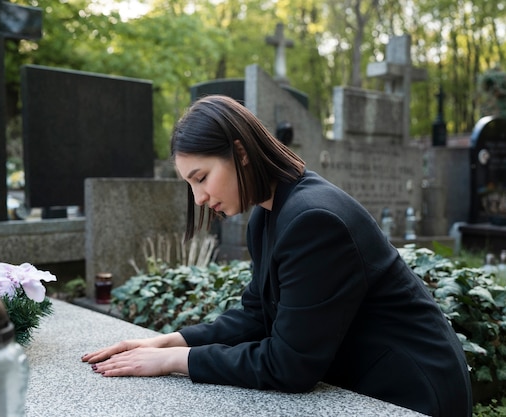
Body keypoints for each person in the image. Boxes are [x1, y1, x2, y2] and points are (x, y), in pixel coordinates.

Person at [82, 95, 472, 417]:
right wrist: (167, 342)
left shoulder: (314, 219)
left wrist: (175, 362)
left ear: (240, 153)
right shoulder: (268, 215)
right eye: (190, 184)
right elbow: (256, 316)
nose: (198, 198)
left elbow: (290, 365)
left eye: (201, 178)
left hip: (408, 396)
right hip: (364, 383)